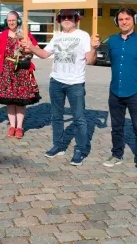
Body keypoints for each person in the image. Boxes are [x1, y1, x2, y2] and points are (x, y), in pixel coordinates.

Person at [22, 9, 100, 165]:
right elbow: (44, 54)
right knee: (56, 117)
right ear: (59, 20)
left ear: (75, 19)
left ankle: (80, 150)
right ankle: (58, 145)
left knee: (79, 118)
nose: (66, 19)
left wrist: (94, 48)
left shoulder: (83, 35)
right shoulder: (57, 37)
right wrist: (31, 47)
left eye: (70, 17)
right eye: (63, 17)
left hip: (75, 83)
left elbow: (90, 60)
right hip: (56, 81)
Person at [102, 8, 137, 176]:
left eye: (127, 19)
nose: (124, 22)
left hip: (135, 91)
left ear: (134, 20)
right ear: (116, 22)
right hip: (115, 90)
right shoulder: (112, 41)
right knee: (116, 126)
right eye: (120, 19)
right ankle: (116, 154)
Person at [0, 10, 41, 139]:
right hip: (7, 71)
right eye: (9, 20)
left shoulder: (24, 33)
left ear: (17, 20)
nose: (11, 22)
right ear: (6, 22)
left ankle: (19, 127)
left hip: (22, 71)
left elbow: (35, 48)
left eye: (13, 20)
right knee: (10, 100)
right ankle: (12, 126)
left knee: (21, 101)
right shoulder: (3, 35)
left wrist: (27, 50)